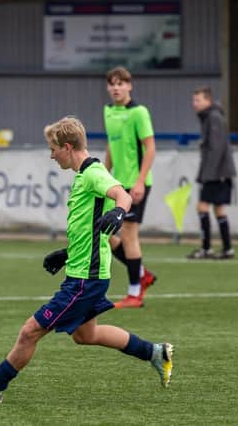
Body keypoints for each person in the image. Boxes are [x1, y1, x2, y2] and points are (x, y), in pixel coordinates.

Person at [0, 116, 173, 404]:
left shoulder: (94, 173)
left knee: (30, 331)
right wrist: (66, 253)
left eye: (53, 148)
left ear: (67, 147)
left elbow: (122, 194)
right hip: (85, 272)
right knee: (86, 335)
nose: (51, 154)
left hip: (85, 280)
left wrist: (119, 212)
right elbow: (89, 229)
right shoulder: (84, 176)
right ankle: (156, 352)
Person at [103, 66, 157, 309]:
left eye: (121, 83)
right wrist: (102, 176)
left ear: (129, 86)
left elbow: (150, 148)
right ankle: (142, 273)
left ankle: (135, 293)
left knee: (128, 234)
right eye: (112, 83)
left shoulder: (139, 112)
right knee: (104, 235)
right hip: (117, 185)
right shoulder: (108, 112)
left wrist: (139, 182)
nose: (116, 87)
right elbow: (111, 148)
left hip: (136, 185)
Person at [186, 86, 236, 259]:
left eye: (198, 100)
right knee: (219, 209)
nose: (195, 104)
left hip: (216, 173)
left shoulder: (213, 117)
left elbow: (216, 148)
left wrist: (206, 175)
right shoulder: (211, 117)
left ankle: (207, 248)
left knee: (202, 207)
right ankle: (227, 248)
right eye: (194, 100)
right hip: (220, 172)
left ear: (208, 100)